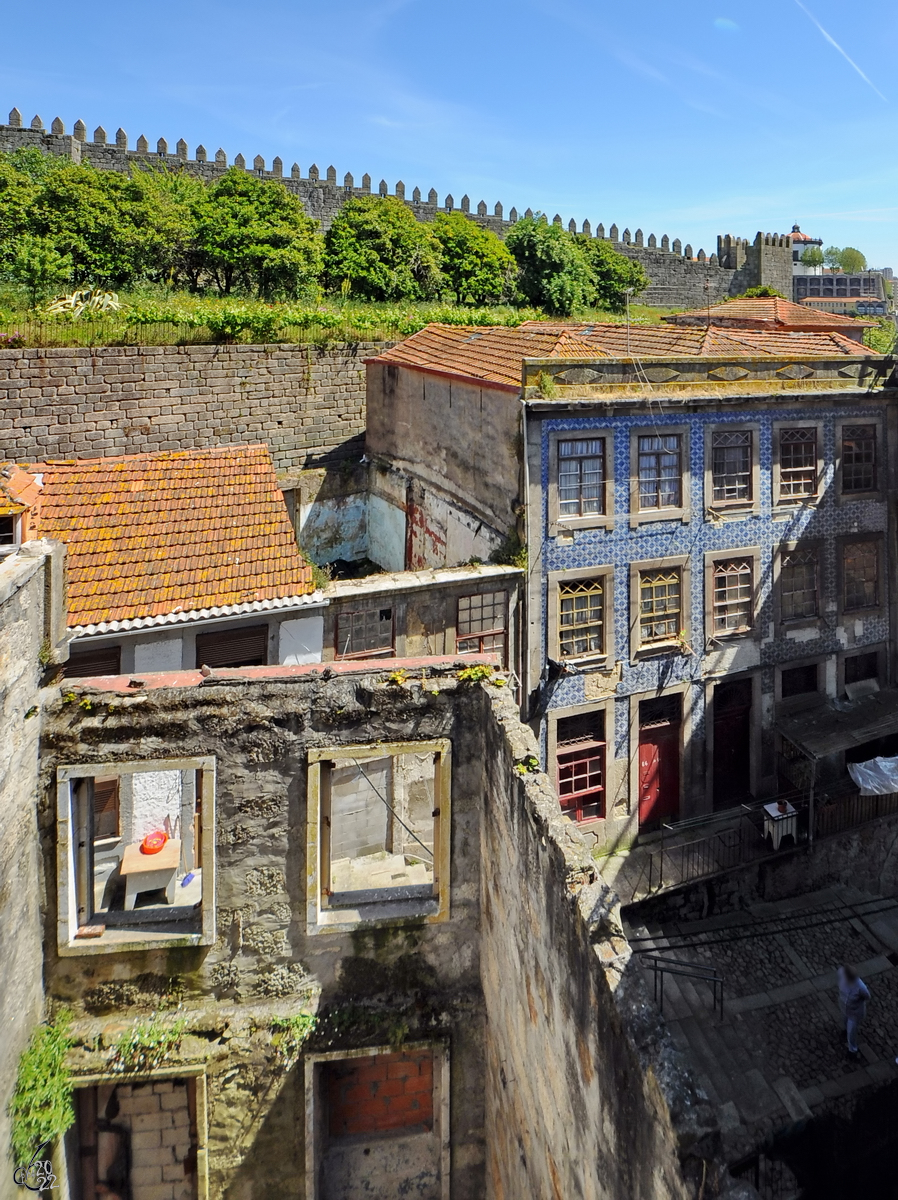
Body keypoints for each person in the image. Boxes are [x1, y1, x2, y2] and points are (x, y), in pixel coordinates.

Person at [838, 964, 870, 1057]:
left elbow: (867, 996)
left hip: (855, 1012)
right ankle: (845, 1030)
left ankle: (852, 1050)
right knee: (844, 1020)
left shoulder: (860, 987)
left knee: (852, 1030)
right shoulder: (841, 973)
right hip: (844, 1006)